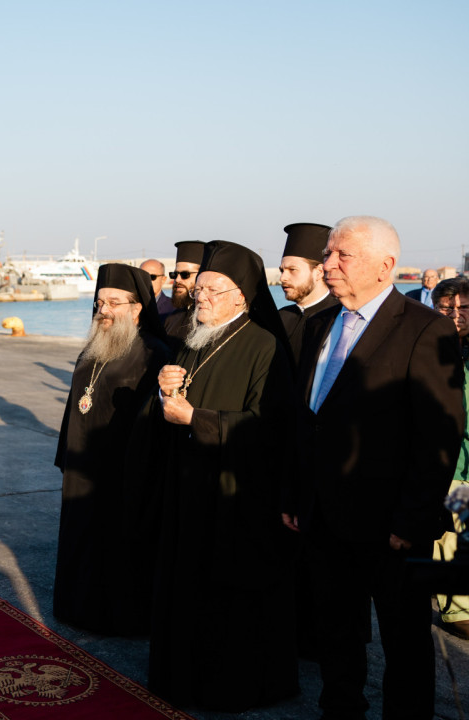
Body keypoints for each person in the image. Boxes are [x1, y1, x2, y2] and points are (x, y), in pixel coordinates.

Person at [288, 216, 464, 720]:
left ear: (386, 265)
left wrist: (411, 521)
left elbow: (439, 433)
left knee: (403, 643)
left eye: (343, 255)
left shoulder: (424, 327)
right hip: (323, 518)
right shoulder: (321, 323)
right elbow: (306, 423)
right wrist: (294, 497)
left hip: (390, 527)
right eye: (327, 255)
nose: (329, 264)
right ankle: (339, 711)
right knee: (336, 634)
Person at [151, 240, 298, 711]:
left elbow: (269, 428)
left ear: (243, 296)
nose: (202, 298)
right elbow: (176, 410)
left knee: (228, 602)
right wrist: (164, 390)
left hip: (236, 497)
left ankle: (226, 688)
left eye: (215, 290)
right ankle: (180, 678)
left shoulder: (263, 345)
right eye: (200, 289)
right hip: (189, 490)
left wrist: (196, 419)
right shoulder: (196, 337)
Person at [53, 264, 171, 635]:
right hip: (81, 464)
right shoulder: (93, 346)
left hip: (121, 469)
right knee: (80, 537)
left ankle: (114, 617)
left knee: (114, 545)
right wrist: (65, 455)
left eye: (114, 303)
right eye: (100, 302)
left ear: (137, 308)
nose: (103, 310)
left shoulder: (155, 353)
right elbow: (77, 402)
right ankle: (75, 606)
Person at [431, 276, 469, 641]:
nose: (455, 314)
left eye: (463, 308)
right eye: (446, 308)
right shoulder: (430, 348)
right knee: (450, 539)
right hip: (449, 464)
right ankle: (456, 609)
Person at [277, 222, 339, 365]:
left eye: (292, 270)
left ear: (319, 272)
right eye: (282, 270)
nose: (283, 278)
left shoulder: (338, 317)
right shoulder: (280, 318)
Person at [162, 241, 204, 342]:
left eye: (185, 275)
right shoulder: (170, 319)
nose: (177, 280)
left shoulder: (208, 320)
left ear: (202, 275)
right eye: (175, 274)